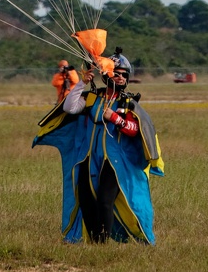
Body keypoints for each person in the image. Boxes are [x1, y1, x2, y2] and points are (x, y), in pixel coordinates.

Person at [60, 56, 163, 243]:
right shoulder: (93, 98)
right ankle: (94, 241)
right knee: (86, 199)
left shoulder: (127, 103)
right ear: (106, 76)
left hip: (115, 161)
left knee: (105, 201)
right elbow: (70, 107)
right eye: (117, 74)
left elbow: (135, 130)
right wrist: (82, 84)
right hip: (89, 157)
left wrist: (115, 118)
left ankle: (102, 243)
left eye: (124, 75)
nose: (121, 78)